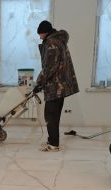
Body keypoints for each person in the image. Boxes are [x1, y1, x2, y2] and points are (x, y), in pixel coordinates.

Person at [33, 20, 79, 152]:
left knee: (50, 115)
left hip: (55, 86)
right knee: (54, 115)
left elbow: (49, 67)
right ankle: (52, 141)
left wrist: (39, 82)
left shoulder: (51, 43)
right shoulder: (59, 40)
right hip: (61, 85)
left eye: (40, 34)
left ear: (45, 32)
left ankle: (53, 144)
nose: (40, 37)